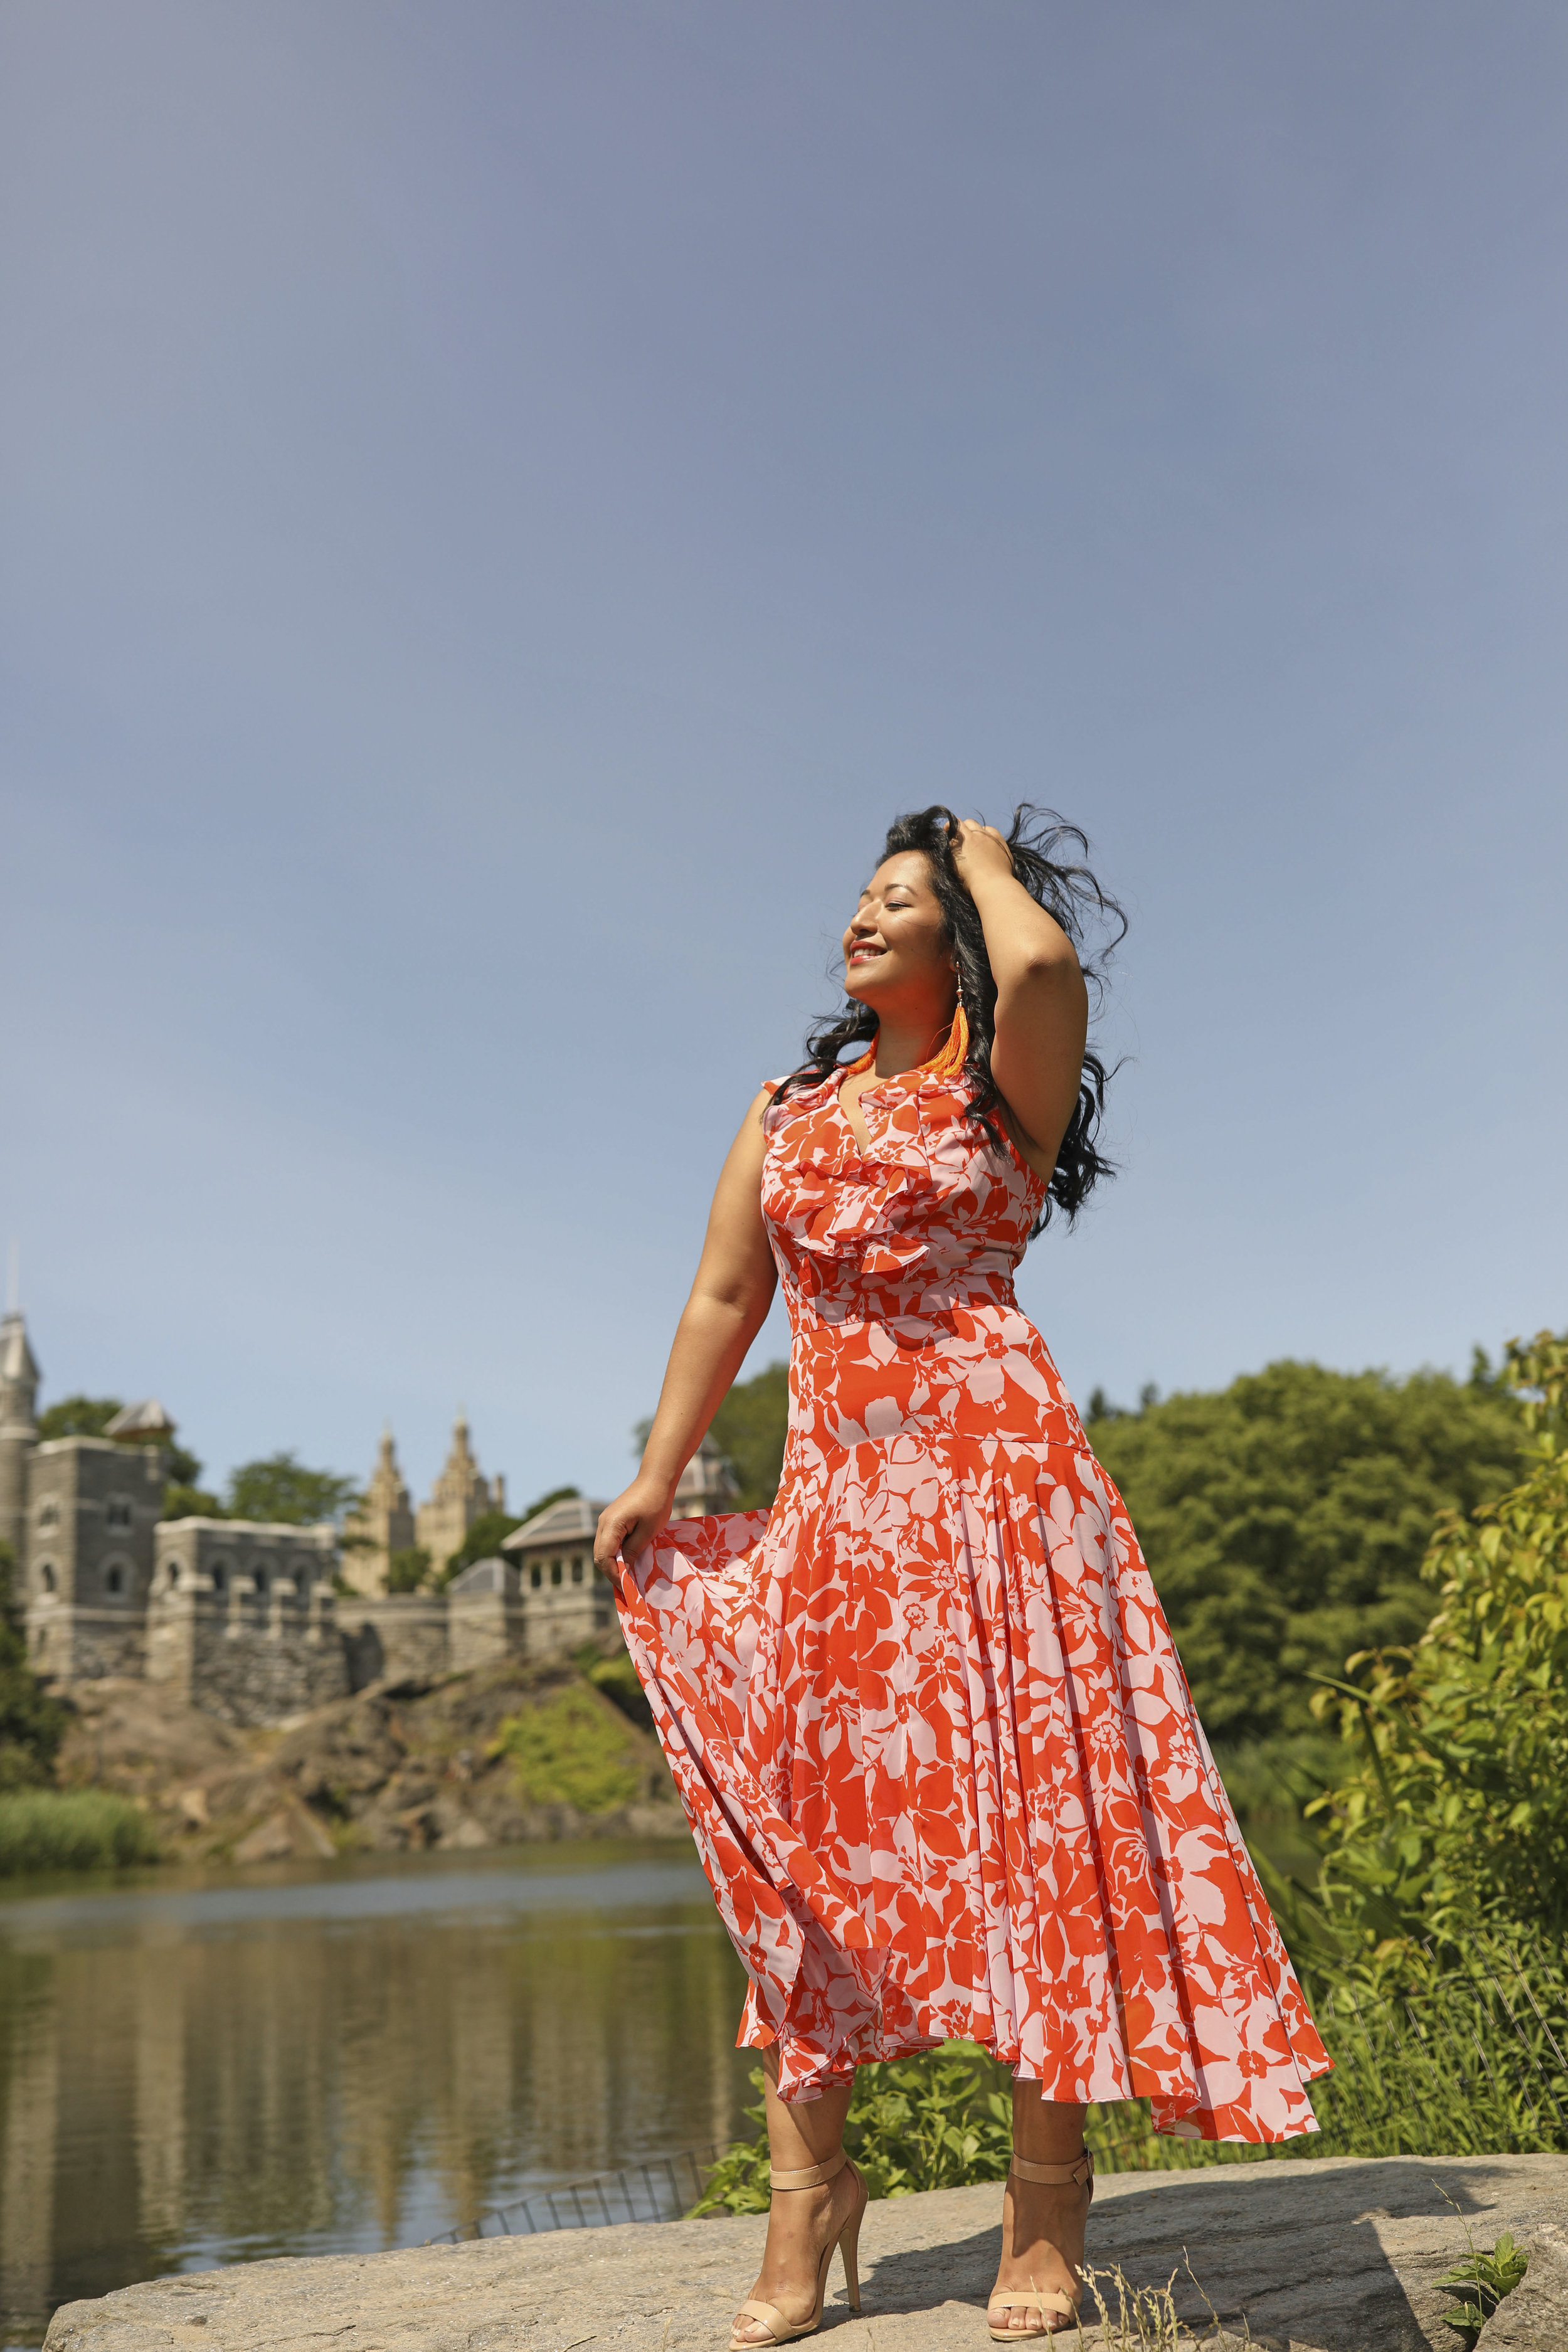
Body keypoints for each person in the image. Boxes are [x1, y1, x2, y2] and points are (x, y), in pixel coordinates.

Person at [594, 807, 1329, 2346]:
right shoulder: (785, 1106)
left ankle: (1044, 2219)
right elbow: (727, 1288)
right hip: (839, 1511)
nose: (858, 919)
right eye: (856, 899)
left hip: (1003, 1496)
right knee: (804, 1846)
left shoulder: (1005, 1088)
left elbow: (1047, 955)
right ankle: (810, 2205)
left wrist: (978, 852)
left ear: (954, 947)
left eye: (898, 903)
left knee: (1031, 1838)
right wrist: (656, 1474)